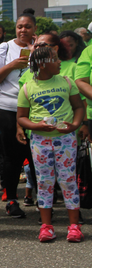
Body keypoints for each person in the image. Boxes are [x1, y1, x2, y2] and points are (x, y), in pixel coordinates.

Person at [17, 47, 85, 242]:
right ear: (42, 64)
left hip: (65, 139)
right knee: (44, 181)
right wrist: (35, 125)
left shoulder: (67, 82)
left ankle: (74, 226)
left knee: (68, 180)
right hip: (39, 141)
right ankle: (46, 226)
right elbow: (21, 117)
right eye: (55, 59)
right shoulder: (28, 87)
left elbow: (79, 106)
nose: (59, 62)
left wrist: (74, 125)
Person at [0, 9, 36, 218]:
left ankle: (42, 200)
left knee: (36, 156)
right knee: (11, 157)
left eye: (27, 27)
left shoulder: (40, 47)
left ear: (34, 29)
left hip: (36, 110)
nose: (23, 30)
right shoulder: (5, 47)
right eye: (20, 26)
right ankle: (11, 199)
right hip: (7, 108)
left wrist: (36, 51)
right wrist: (12, 65)